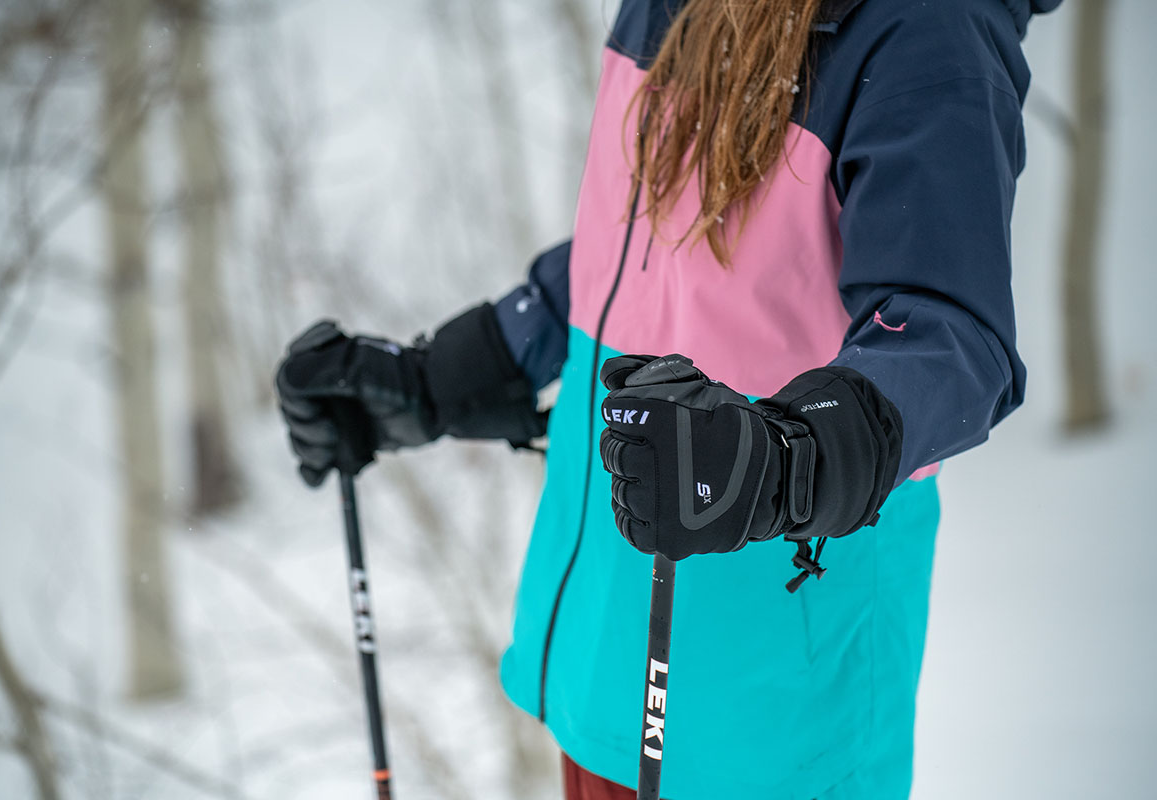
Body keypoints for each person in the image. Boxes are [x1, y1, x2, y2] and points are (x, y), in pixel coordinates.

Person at [275, 0, 1061, 796]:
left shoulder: (925, 27)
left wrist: (786, 455)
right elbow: (645, 241)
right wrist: (447, 376)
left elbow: (950, 332)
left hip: (767, 716)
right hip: (611, 660)